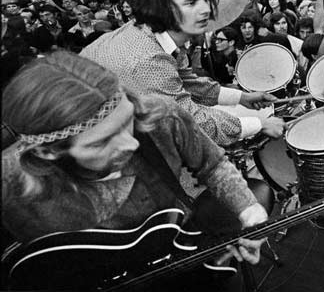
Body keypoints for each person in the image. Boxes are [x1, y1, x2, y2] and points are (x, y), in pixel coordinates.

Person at [1, 53, 270, 291]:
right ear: (46, 152)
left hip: (170, 256)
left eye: (127, 121)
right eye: (102, 141)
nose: (130, 144)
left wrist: (249, 209)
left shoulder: (162, 117)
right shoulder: (7, 181)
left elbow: (212, 165)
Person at [81, 0, 284, 147]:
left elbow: (187, 82)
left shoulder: (149, 32)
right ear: (162, 6)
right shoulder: (147, 61)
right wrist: (260, 124)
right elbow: (192, 123)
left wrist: (241, 97)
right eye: (191, 3)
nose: (206, 10)